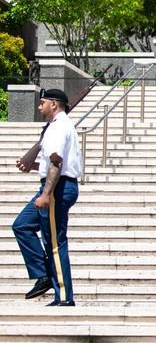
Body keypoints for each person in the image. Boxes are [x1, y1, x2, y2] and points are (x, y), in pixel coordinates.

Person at [12, 88, 81, 306]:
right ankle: (43, 275)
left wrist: (46, 194)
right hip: (57, 185)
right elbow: (54, 161)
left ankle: (63, 296)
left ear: (54, 104)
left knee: (54, 243)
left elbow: (57, 162)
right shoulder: (56, 126)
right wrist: (33, 166)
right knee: (22, 225)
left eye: (42, 102)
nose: (39, 106)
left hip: (57, 188)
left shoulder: (58, 127)